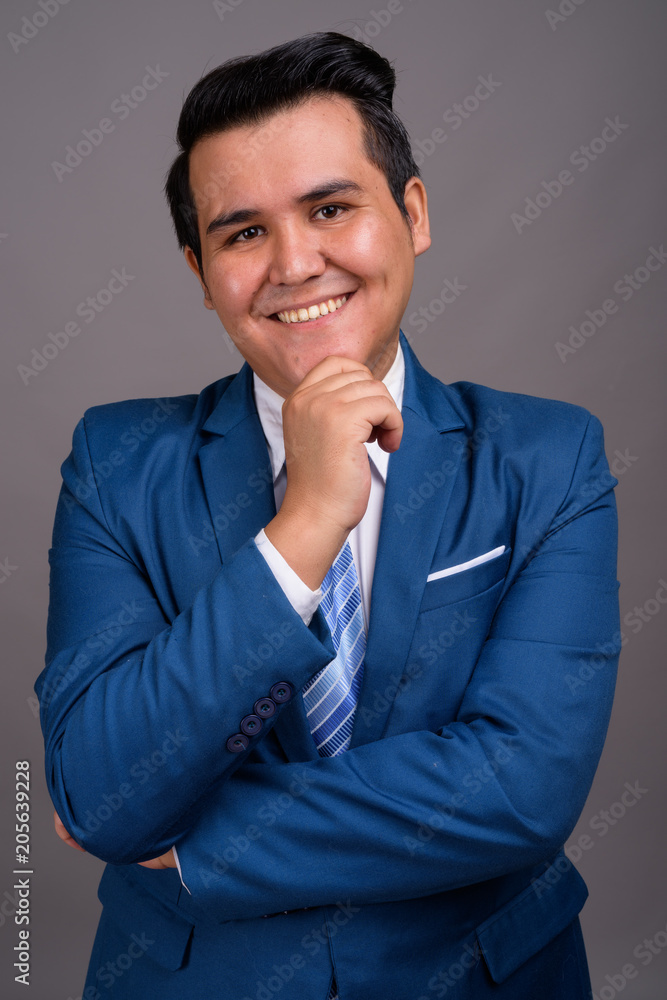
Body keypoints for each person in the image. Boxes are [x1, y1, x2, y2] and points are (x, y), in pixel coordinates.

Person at [37, 31, 621, 1000]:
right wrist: (303, 523)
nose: (294, 262)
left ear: (412, 213)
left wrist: (196, 841)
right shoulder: (116, 463)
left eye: (330, 208)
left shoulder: (546, 456)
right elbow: (103, 792)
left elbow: (522, 790)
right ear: (199, 269)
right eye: (242, 233)